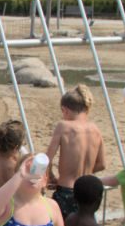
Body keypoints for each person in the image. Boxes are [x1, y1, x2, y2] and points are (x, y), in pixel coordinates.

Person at [45, 85, 105, 218]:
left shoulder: (63, 126)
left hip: (67, 189)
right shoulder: (95, 129)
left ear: (64, 109)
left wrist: (52, 177)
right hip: (87, 191)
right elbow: (102, 164)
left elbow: (47, 159)